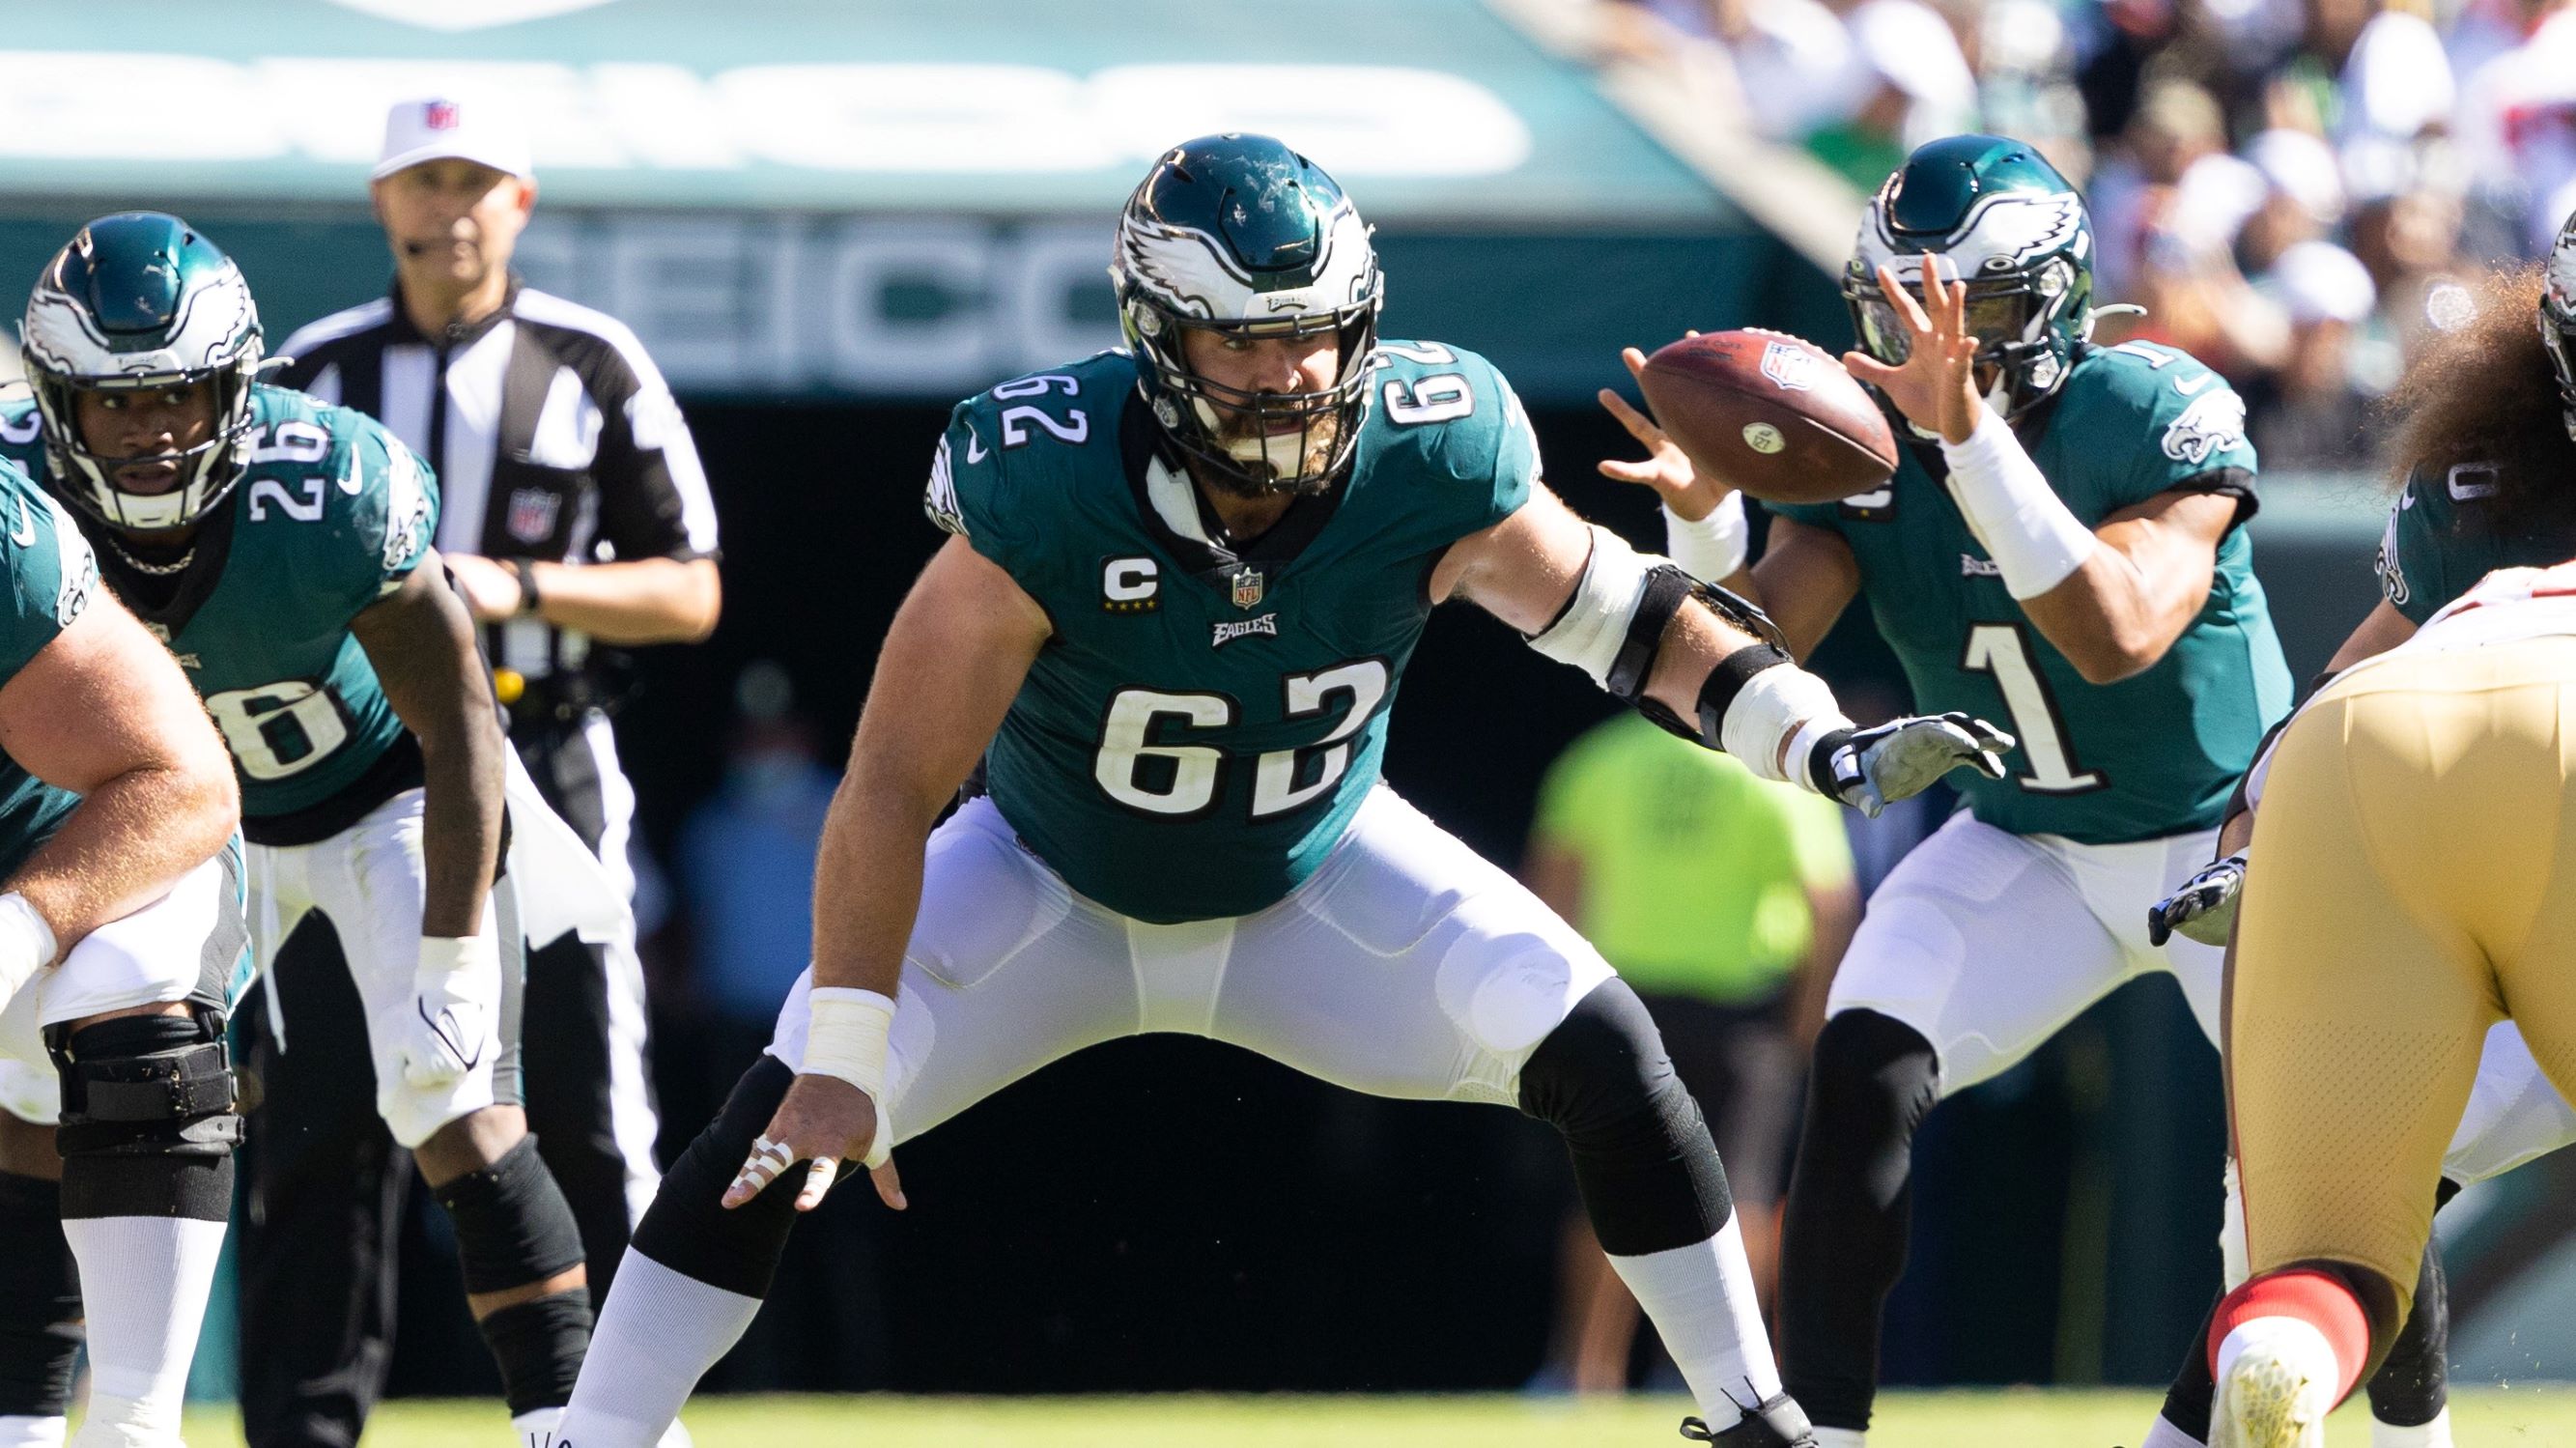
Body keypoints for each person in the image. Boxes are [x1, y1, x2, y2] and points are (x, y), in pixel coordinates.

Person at [549, 131, 2011, 1448]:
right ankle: (596, 1430)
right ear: (1155, 330)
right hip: (1047, 877)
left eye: (1314, 336)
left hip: (1311, 866)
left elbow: (1627, 624)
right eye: (1247, 344)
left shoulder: (1431, 442)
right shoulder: (1045, 479)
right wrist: (842, 1056)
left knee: (1606, 1048)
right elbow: (886, 785)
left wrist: (1813, 739)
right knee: (777, 1123)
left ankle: (1753, 1415)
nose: (1293, 375)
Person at [1599, 134, 2290, 1448]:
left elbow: (2112, 632)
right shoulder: (1865, 452)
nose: (1924, 348)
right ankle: (1820, 1434)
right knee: (1861, 1051)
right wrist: (1705, 530)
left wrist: (1966, 439)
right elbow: (1740, 661)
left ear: (2048, 303)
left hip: (2229, 841)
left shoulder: (2143, 408)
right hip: (2025, 837)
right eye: (1896, 311)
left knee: (2313, 1168)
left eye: (1963, 314)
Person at [7, 213, 604, 1446]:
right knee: (40, 1105)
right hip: (159, 828)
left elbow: (458, 727)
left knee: (454, 1101)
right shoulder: (17, 502)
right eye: (119, 402)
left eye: (184, 392)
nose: (157, 427)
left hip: (375, 796)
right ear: (55, 401)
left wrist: (450, 952)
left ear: (240, 386)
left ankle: (574, 1419)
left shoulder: (328, 483)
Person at [262, 93, 713, 1442]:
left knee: (580, 1097)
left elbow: (692, 588)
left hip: (549, 750)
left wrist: (508, 584)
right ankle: (301, 1424)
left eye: (475, 178)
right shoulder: (317, 368)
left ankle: (622, 1413)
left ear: (520, 198)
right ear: (379, 198)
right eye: (422, 177)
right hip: (349, 778)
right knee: (324, 1116)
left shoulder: (588, 357)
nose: (447, 205)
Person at [2137, 232, 2576, 1448]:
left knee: (2334, 1238)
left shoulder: (2474, 474)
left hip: (2383, 751)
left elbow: (2345, 682)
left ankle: (2272, 1359)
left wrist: (2245, 834)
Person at [2200, 558, 2576, 1448]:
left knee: (2330, 1258)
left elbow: (2258, 795)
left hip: (2351, 735)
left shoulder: (2490, 563)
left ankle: (2282, 1343)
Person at [0, 456, 246, 1448]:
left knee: (126, 984)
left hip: (75, 885)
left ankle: (135, 1424)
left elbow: (184, 784)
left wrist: (14, 933)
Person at [1524, 712, 1857, 1392]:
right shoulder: (1773, 775)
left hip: (1622, 1009)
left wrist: (1548, 1014)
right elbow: (1829, 906)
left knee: (1606, 1191)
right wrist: (1803, 1031)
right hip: (1743, 1022)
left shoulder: (1599, 758)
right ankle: (1726, 1382)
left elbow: (1549, 893)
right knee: (1741, 1197)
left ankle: (1581, 1375)